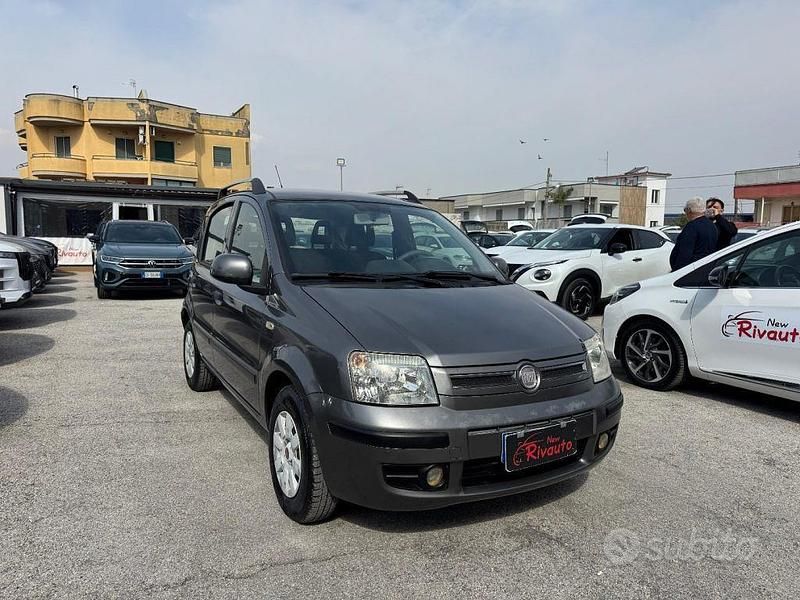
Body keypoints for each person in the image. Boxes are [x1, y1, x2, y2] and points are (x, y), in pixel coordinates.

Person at [670, 197, 718, 271]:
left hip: (691, 270)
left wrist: (677, 270)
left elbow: (684, 254)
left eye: (685, 210)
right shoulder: (712, 226)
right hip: (707, 268)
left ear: (689, 210)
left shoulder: (691, 227)